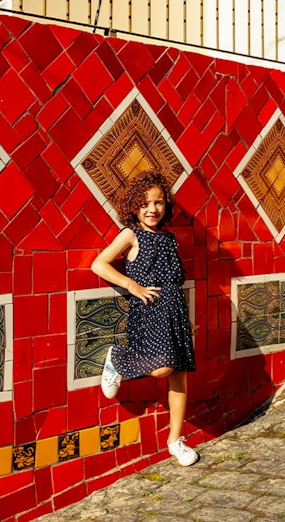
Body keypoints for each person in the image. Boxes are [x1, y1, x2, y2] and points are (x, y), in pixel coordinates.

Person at [90, 171, 199, 466]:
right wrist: (131, 285)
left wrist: (187, 320)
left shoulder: (170, 239)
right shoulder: (130, 234)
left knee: (179, 376)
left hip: (175, 310)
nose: (153, 209)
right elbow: (99, 264)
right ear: (134, 206)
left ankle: (175, 440)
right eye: (146, 203)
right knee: (162, 370)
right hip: (149, 310)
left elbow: (177, 282)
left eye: (159, 202)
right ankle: (118, 359)